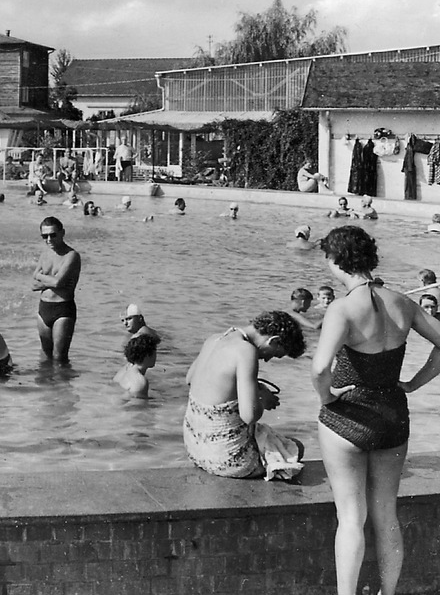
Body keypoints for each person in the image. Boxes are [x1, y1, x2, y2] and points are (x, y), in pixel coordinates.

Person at [313, 225, 440, 595]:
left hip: (348, 417)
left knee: (351, 518)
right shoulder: (403, 302)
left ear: (337, 261)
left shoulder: (343, 308)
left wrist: (326, 397)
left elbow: (320, 368)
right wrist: (415, 383)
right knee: (387, 516)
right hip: (392, 416)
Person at [183, 311, 306, 478]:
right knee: (295, 447)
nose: (268, 359)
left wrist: (256, 387)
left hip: (195, 450)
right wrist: (262, 400)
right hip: (228, 459)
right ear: (274, 340)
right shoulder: (247, 351)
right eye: (275, 353)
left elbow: (190, 379)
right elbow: (250, 416)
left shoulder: (215, 339)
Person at [31, 217, 81, 365]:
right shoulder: (45, 254)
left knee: (60, 358)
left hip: (63, 309)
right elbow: (33, 285)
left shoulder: (71, 255)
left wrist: (41, 276)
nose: (48, 239)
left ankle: (62, 387)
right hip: (44, 307)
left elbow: (58, 281)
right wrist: (51, 281)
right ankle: (46, 387)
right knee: (46, 355)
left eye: (53, 235)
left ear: (62, 233)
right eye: (44, 236)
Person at [114, 332, 160, 399]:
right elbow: (138, 408)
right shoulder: (140, 382)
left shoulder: (126, 368)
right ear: (148, 355)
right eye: (155, 351)